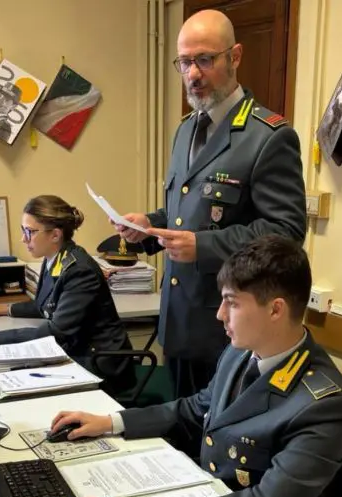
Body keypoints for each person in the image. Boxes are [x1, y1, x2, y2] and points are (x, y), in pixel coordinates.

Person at [50, 235, 342, 497]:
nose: (220, 315)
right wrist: (112, 422)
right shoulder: (242, 352)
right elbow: (197, 408)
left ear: (275, 309)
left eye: (232, 303)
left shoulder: (323, 405)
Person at [114, 9, 306, 399]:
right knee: (178, 428)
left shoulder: (268, 136)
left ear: (235, 57)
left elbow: (286, 233)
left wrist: (202, 247)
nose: (193, 74)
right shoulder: (186, 129)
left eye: (205, 59)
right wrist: (148, 226)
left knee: (214, 435)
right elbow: (187, 215)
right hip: (178, 322)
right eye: (185, 62)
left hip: (229, 330)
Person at [0, 195, 136, 396]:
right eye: (23, 230)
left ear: (55, 235)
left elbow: (57, 331)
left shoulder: (79, 270)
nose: (23, 238)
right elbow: (46, 304)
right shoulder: (53, 258)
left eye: (30, 232)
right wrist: (4, 309)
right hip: (77, 351)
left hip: (100, 365)